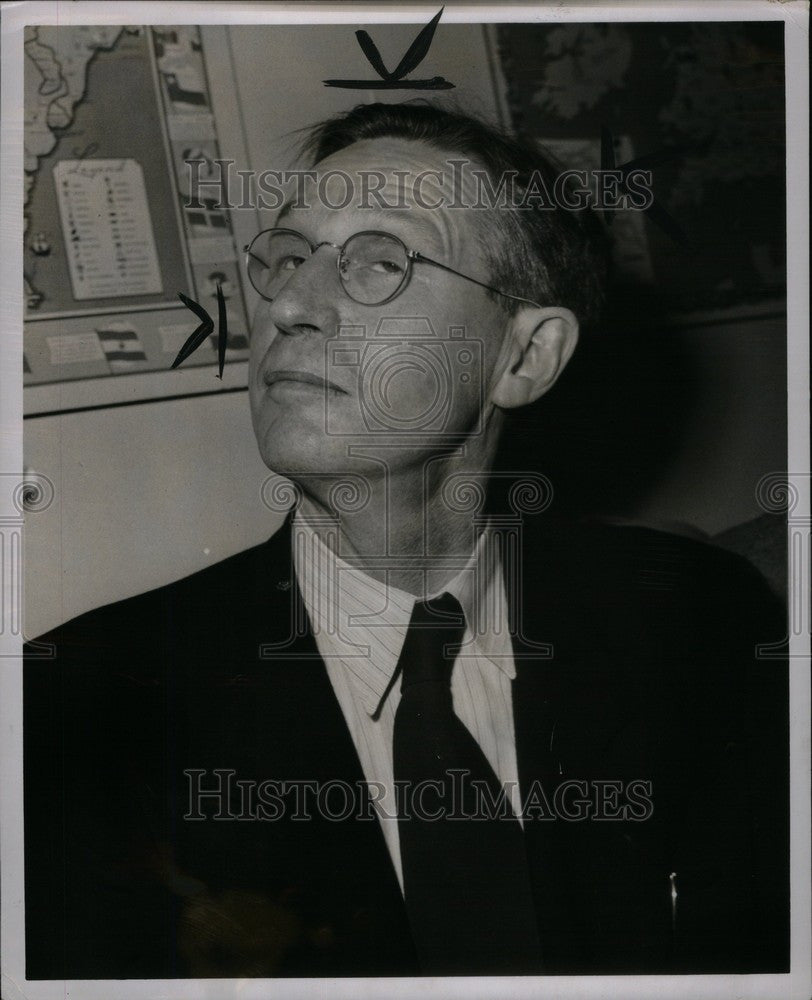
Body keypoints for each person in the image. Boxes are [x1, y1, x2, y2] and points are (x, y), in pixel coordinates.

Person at [24, 102, 789, 979]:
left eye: (381, 262)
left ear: (524, 356)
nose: (289, 305)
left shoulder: (699, 617)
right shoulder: (74, 711)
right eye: (284, 258)